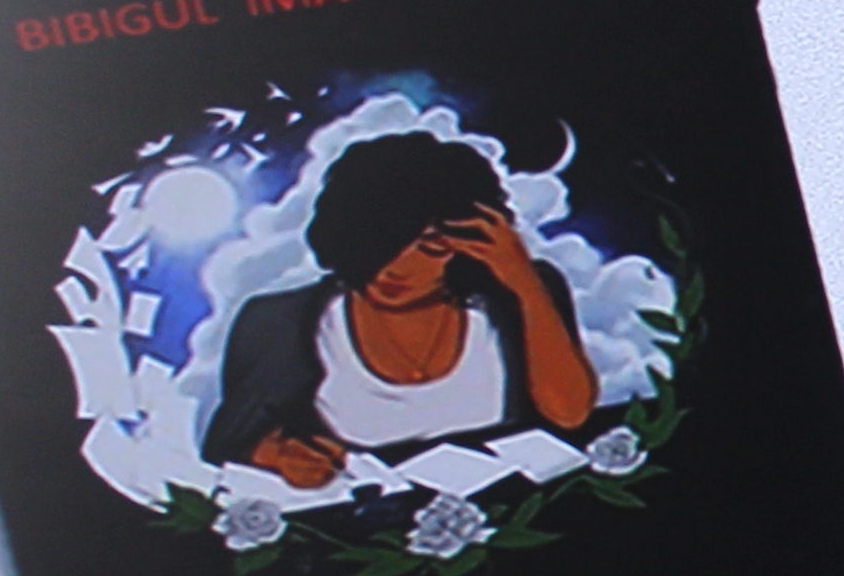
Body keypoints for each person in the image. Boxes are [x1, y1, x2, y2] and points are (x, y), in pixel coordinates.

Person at [201, 131, 599, 489]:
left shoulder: (519, 295)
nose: (398, 267)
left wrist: (523, 281)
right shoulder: (278, 321)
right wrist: (276, 455)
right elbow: (230, 439)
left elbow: (569, 414)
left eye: (431, 245)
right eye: (381, 241)